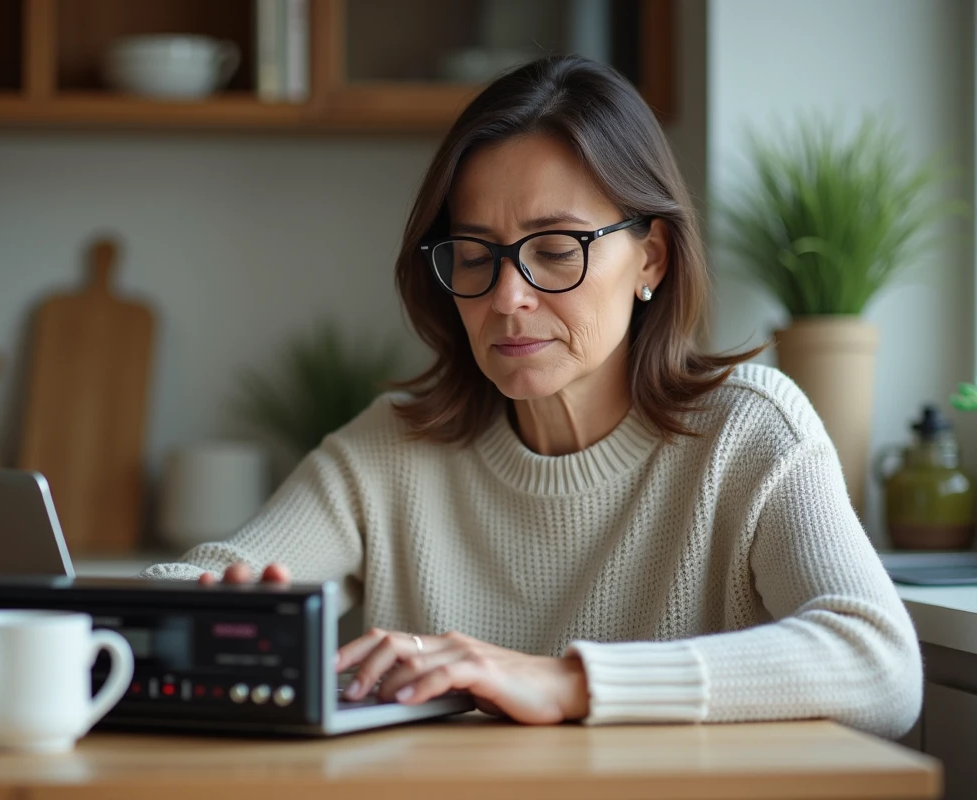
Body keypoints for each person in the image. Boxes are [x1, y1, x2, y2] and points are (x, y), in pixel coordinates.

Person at [143, 55, 921, 737]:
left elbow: (881, 667)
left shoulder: (750, 431)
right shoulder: (392, 448)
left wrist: (568, 683)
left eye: (554, 249)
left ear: (650, 259)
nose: (507, 296)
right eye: (474, 255)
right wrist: (221, 611)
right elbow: (187, 589)